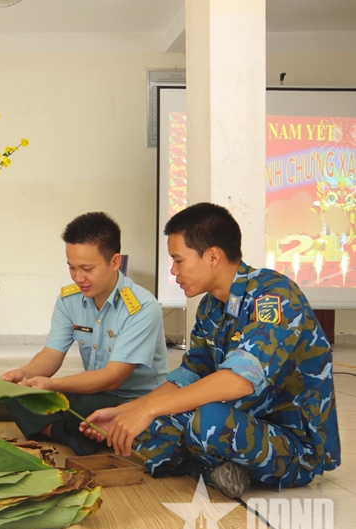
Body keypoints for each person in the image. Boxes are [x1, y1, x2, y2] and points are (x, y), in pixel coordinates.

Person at [82, 202, 340, 499]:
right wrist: (126, 411)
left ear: (213, 256)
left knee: (208, 422)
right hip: (241, 419)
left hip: (293, 444)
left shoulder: (274, 295)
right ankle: (219, 468)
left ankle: (207, 466)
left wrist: (148, 409)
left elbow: (238, 381)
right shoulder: (210, 307)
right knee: (137, 429)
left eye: (178, 260)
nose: (173, 271)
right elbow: (189, 375)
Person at [0, 212, 168, 455]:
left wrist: (52, 385)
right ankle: (69, 435)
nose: (78, 278)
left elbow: (113, 378)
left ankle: (64, 430)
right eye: (72, 267)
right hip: (92, 391)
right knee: (16, 394)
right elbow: (51, 354)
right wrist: (24, 375)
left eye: (87, 269)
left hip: (132, 399)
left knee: (82, 405)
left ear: (115, 262)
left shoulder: (141, 307)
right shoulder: (69, 300)